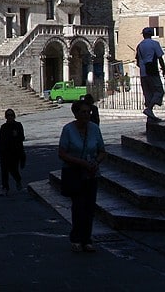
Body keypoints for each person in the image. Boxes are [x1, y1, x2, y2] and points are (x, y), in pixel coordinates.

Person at [58, 99, 106, 253]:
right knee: (78, 207)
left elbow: (102, 150)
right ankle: (76, 238)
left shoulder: (94, 129)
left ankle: (87, 239)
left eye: (88, 112)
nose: (86, 114)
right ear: (76, 113)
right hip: (75, 173)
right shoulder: (68, 130)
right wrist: (80, 162)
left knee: (90, 207)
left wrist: (96, 162)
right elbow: (62, 153)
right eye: (83, 112)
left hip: (91, 173)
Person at [135, 27, 165, 122]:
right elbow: (160, 58)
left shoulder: (139, 45)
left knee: (148, 94)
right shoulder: (155, 44)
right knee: (159, 91)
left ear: (144, 35)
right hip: (153, 72)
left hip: (143, 74)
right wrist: (164, 69)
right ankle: (149, 109)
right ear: (151, 34)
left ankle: (150, 118)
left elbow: (137, 61)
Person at [0, 108, 25, 196]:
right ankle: (5, 187)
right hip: (5, 152)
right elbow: (1, 140)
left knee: (13, 169)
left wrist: (16, 135)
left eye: (11, 115)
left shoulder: (18, 125)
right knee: (4, 171)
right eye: (8, 115)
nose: (10, 117)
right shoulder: (3, 127)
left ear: (14, 116)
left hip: (15, 152)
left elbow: (22, 138)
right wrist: (0, 152)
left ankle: (18, 180)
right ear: (5, 117)